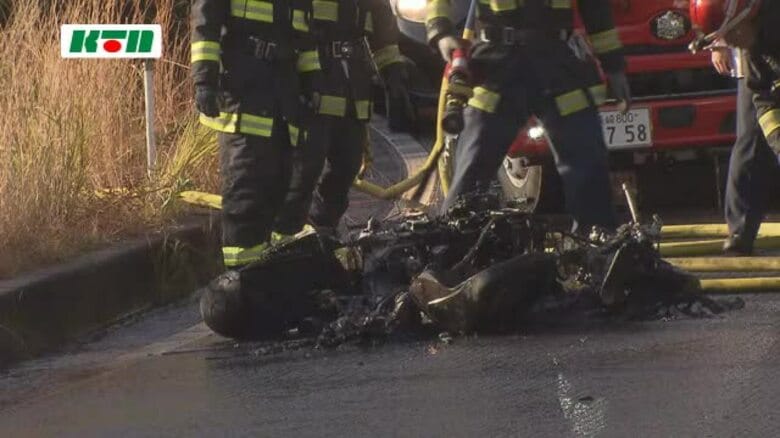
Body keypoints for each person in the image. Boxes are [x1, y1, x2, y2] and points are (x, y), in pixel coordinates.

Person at [426, 0, 632, 231]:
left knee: (587, 167)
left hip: (558, 64)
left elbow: (596, 8)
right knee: (472, 169)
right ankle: (449, 246)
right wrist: (440, 32)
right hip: (498, 64)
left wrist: (613, 66)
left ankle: (598, 249)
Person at [192, 0, 311, 336]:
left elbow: (303, 39)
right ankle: (241, 295)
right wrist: (204, 81)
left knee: (280, 199)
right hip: (245, 100)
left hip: (283, 103)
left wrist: (309, 91)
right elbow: (205, 26)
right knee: (246, 201)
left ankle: (271, 290)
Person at [275, 0, 413, 237]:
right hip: (312, 82)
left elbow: (383, 30)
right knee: (305, 169)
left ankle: (323, 229)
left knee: (347, 165)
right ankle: (285, 238)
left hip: (352, 84)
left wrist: (393, 76)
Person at [690, 0, 780, 254]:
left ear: (743, 20)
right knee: (751, 140)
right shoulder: (753, 49)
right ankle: (741, 231)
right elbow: (763, 98)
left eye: (729, 35)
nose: (730, 45)